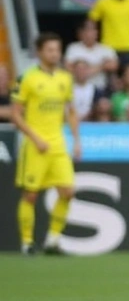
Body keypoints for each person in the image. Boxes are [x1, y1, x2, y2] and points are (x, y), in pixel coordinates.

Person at [11, 32, 81, 256]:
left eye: (57, 50)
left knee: (68, 192)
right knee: (30, 195)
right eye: (50, 50)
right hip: (35, 146)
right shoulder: (27, 78)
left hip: (58, 144)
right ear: (40, 52)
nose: (55, 54)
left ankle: (53, 240)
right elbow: (16, 115)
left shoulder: (65, 79)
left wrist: (77, 140)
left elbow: (70, 111)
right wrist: (35, 138)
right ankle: (27, 243)